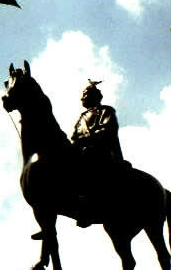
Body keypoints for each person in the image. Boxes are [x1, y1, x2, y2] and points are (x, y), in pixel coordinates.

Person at [31, 80, 126, 239]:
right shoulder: (82, 118)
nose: (83, 98)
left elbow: (108, 130)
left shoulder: (106, 111)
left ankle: (87, 206)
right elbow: (74, 137)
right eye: (83, 95)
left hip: (101, 152)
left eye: (86, 95)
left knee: (87, 167)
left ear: (95, 97)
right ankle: (49, 218)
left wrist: (89, 141)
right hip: (84, 151)